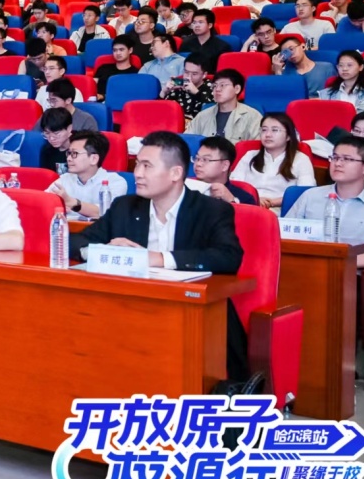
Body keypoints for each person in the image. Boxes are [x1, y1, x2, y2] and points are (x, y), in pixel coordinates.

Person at [69, 131, 246, 375]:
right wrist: (102, 252)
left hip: (192, 316)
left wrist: (160, 258)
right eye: (137, 164)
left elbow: (228, 257)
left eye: (147, 166)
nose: (137, 173)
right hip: (130, 311)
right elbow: (75, 242)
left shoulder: (211, 210)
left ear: (175, 173)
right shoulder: (125, 207)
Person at [285, 136, 364, 266]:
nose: (338, 163)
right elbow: (284, 236)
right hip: (306, 269)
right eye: (335, 157)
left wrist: (341, 264)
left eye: (347, 159)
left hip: (354, 273)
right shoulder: (310, 196)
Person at [232, 112, 316, 209]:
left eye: (275, 130)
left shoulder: (301, 159)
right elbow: (234, 185)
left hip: (281, 210)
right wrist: (254, 199)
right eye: (264, 130)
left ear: (288, 136)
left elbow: (305, 192)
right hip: (247, 206)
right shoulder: (250, 155)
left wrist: (271, 202)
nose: (268, 135)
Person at [48, 130, 128, 220]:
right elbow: (44, 202)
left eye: (74, 153)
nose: (68, 158)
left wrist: (73, 203)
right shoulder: (64, 179)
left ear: (94, 159)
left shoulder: (115, 182)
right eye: (69, 153)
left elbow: (107, 212)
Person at [184, 68, 261, 142]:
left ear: (237, 89)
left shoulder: (253, 116)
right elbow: (187, 141)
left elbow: (257, 147)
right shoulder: (202, 116)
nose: (217, 89)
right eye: (215, 86)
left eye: (222, 85)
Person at [188, 137, 258, 205]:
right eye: (197, 158)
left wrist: (232, 201)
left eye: (205, 159)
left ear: (225, 166)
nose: (198, 164)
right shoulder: (186, 188)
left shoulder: (245, 199)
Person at [161, 52, 213, 121]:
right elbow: (161, 111)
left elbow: (213, 110)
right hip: (175, 123)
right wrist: (164, 92)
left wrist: (197, 93)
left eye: (194, 74)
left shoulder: (212, 88)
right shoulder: (178, 86)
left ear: (204, 75)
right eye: (186, 72)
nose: (189, 77)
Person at [94, 35, 140, 102]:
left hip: (122, 104)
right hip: (98, 104)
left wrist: (104, 96)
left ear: (130, 50)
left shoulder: (136, 73)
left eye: (121, 50)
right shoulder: (103, 68)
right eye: (115, 50)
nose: (118, 53)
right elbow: (92, 86)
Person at [38, 107, 72, 173]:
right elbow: (46, 175)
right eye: (47, 133)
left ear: (69, 128)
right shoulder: (46, 150)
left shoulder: (81, 147)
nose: (51, 138)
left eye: (56, 133)